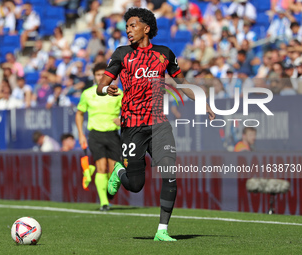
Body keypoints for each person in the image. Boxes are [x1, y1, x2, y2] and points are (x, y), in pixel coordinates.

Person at [96, 7, 215, 241]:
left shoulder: (164, 54)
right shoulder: (121, 54)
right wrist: (105, 89)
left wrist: (203, 102)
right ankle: (119, 171)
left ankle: (162, 230)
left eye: (132, 26)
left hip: (159, 124)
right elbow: (101, 84)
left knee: (170, 172)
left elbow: (181, 83)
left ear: (146, 28)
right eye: (127, 26)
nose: (128, 30)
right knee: (136, 185)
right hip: (132, 125)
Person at [76, 62, 123, 211]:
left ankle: (108, 194)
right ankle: (104, 203)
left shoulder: (118, 93)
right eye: (98, 74)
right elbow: (80, 113)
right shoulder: (88, 93)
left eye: (104, 74)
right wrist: (81, 134)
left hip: (113, 134)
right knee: (101, 168)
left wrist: (122, 120)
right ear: (94, 76)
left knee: (114, 171)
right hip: (95, 134)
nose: (101, 77)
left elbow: (130, 112)